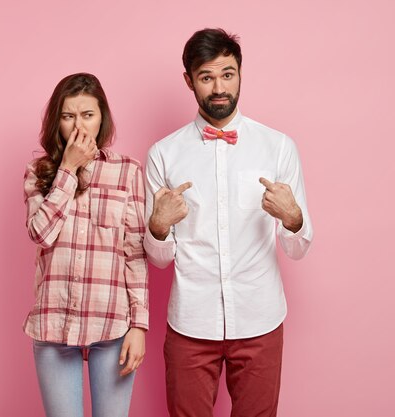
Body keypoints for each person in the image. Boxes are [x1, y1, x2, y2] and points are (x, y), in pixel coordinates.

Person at [143, 29, 314, 417]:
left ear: (240, 73)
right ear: (189, 81)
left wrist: (292, 217)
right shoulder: (162, 155)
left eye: (228, 74)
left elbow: (299, 247)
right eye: (206, 77)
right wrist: (158, 227)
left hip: (260, 318)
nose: (219, 87)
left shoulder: (278, 147)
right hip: (191, 322)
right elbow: (158, 259)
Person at [23, 73, 148, 417]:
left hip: (111, 326)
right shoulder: (39, 172)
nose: (79, 126)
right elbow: (41, 233)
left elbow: (134, 254)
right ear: (57, 122)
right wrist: (68, 169)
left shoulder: (128, 172)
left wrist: (139, 326)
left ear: (102, 117)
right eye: (68, 117)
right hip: (53, 324)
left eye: (87, 115)